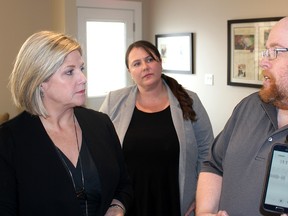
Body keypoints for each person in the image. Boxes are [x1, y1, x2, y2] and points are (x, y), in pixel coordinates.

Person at [0, 31, 132, 216]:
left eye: (82, 69)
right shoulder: (9, 140)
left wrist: (117, 207)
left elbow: (123, 183)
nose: (83, 79)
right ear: (40, 82)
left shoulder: (101, 124)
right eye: (69, 72)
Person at [99, 40, 214, 216]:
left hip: (176, 199)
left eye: (150, 60)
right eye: (137, 64)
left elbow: (207, 152)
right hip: (130, 202)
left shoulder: (189, 101)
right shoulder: (114, 101)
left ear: (160, 62)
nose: (145, 67)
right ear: (130, 72)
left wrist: (202, 196)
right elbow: (99, 148)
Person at [195, 17, 288, 216]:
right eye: (266, 51)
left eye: (275, 52)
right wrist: (205, 211)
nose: (263, 61)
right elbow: (214, 165)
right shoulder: (250, 105)